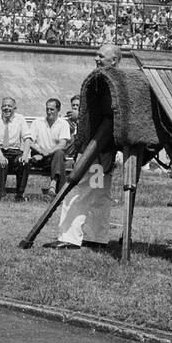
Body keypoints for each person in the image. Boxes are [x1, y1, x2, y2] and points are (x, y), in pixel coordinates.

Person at [52, 44, 121, 249]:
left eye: (101, 56)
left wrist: (80, 120)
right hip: (105, 149)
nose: (96, 58)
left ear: (114, 60)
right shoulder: (116, 83)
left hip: (95, 148)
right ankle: (96, 236)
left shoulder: (105, 83)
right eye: (96, 55)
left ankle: (69, 237)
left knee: (78, 190)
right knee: (99, 192)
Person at [17, 98, 72, 199]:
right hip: (39, 157)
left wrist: (48, 152)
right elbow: (29, 141)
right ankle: (20, 194)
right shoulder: (37, 122)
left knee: (59, 153)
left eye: (52, 109)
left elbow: (62, 144)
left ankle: (53, 183)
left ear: (58, 110)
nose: (49, 112)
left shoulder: (63, 123)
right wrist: (41, 152)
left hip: (53, 158)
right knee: (24, 161)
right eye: (47, 109)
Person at [0, 96, 27, 199]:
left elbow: (27, 138)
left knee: (24, 162)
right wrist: (0, 156)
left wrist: (25, 155)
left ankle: (20, 195)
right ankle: (1, 195)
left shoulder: (20, 119)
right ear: (1, 108)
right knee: (1, 162)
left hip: (14, 151)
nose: (6, 108)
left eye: (9, 106)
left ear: (15, 108)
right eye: (4, 106)